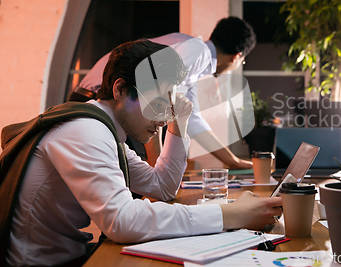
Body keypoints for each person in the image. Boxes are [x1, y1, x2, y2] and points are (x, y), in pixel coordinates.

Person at [1, 39, 282, 266]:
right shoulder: (86, 131)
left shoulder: (108, 134)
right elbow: (122, 221)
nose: (162, 118)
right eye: (158, 103)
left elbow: (162, 187)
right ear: (121, 89)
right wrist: (230, 215)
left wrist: (179, 123)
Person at [70, 17, 256, 169]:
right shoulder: (198, 51)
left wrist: (232, 161)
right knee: (137, 180)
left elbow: (192, 119)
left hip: (99, 98)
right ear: (237, 56)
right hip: (104, 100)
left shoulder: (194, 53)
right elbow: (152, 97)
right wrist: (157, 166)